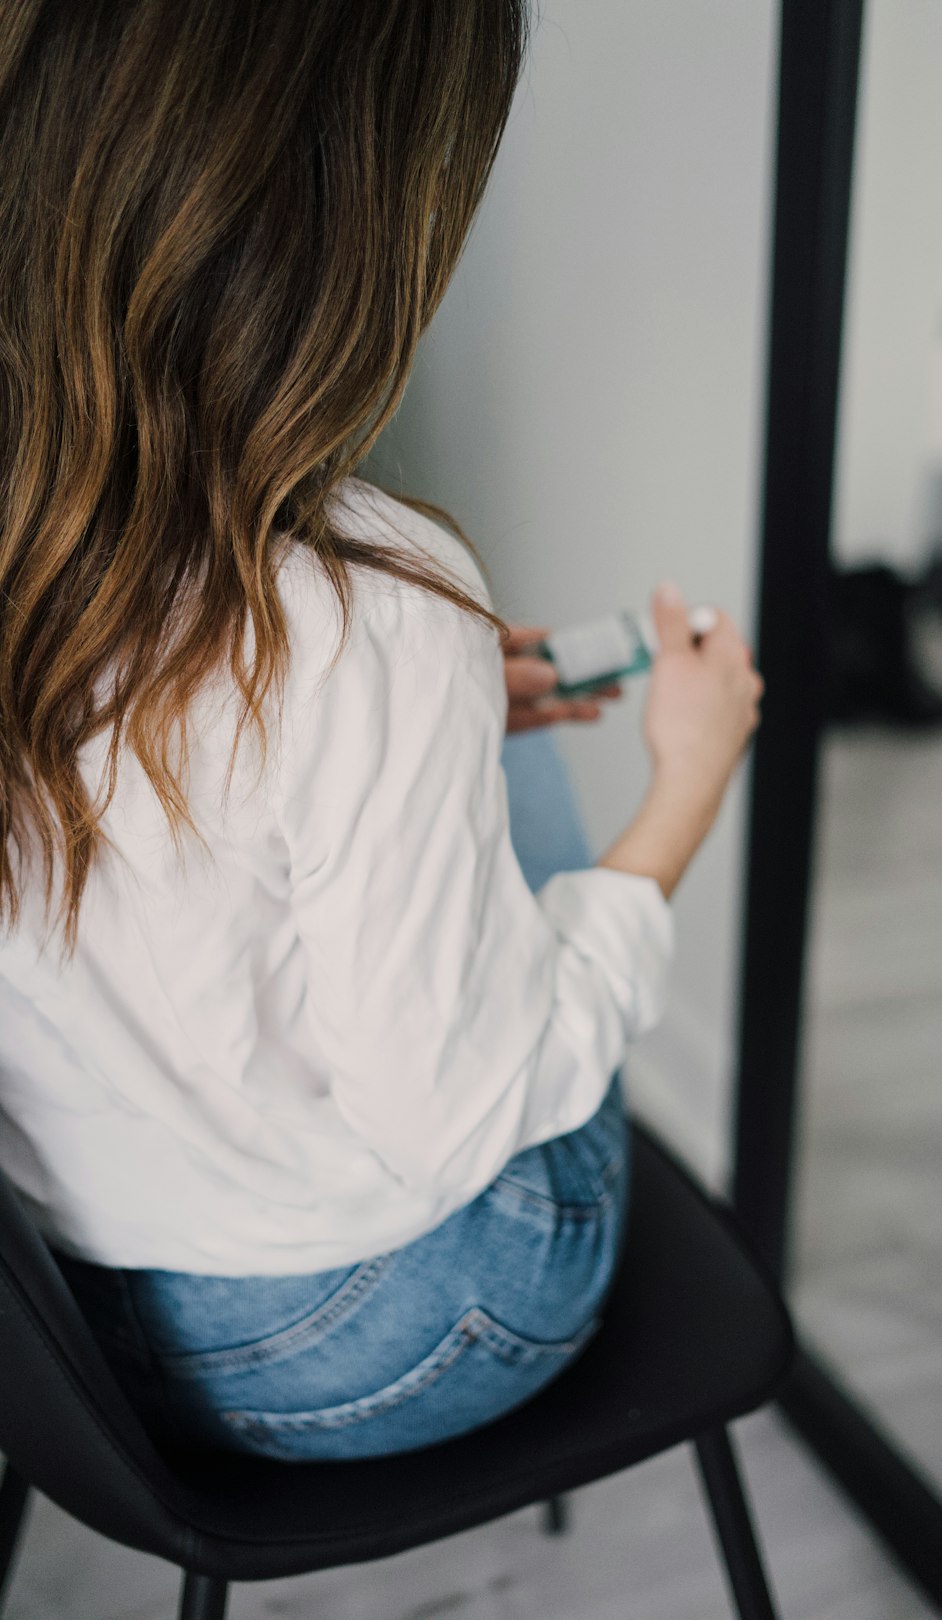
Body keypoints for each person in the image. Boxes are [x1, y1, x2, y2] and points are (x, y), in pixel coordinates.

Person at [0, 0, 763, 1462]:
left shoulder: (52, 511)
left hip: (59, 1320)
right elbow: (452, 1115)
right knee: (507, 782)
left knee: (480, 716)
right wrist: (686, 784)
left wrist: (447, 717)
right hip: (368, 1337)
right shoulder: (368, 612)